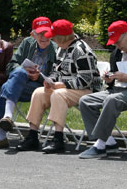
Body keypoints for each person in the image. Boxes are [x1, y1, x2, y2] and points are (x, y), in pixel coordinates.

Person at [16, 19, 102, 154]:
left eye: (53, 36)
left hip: (87, 90)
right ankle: (32, 136)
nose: (51, 38)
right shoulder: (62, 49)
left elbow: (86, 80)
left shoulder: (81, 50)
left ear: (61, 38)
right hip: (66, 88)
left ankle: (58, 139)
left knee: (58, 94)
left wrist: (62, 84)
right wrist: (50, 80)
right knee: (39, 92)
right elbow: (57, 71)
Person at [78, 20, 127, 159]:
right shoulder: (117, 52)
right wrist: (110, 78)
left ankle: (100, 145)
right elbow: (115, 73)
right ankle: (108, 141)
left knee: (111, 99)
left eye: (118, 41)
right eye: (114, 43)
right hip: (117, 89)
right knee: (85, 100)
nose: (116, 45)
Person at [0, 16, 57, 150]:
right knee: (19, 73)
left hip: (42, 89)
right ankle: (6, 119)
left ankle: (1, 134)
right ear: (33, 34)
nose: (44, 37)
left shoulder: (56, 49)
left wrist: (39, 77)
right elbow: (11, 66)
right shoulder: (27, 43)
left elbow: (57, 76)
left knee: (6, 87)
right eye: (40, 33)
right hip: (21, 86)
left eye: (46, 33)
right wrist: (24, 71)